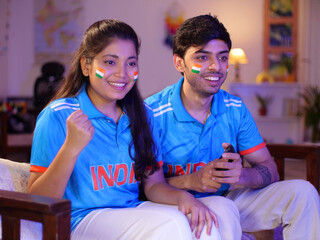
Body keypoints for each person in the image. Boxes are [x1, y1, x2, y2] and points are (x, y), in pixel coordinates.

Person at [27, 19, 221, 240]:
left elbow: (154, 184)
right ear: (86, 65)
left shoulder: (143, 115)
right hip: (79, 220)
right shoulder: (58, 115)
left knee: (207, 223)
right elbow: (37, 201)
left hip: (131, 210)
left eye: (131, 63)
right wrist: (71, 148)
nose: (123, 73)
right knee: (174, 225)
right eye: (110, 62)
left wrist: (183, 198)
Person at [145, 14, 320, 239]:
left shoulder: (234, 107)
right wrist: (193, 181)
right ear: (179, 62)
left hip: (227, 198)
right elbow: (143, 188)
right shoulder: (151, 113)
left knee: (303, 193)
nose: (215, 67)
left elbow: (270, 169)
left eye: (222, 58)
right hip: (172, 206)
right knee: (221, 213)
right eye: (202, 57)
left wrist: (240, 176)